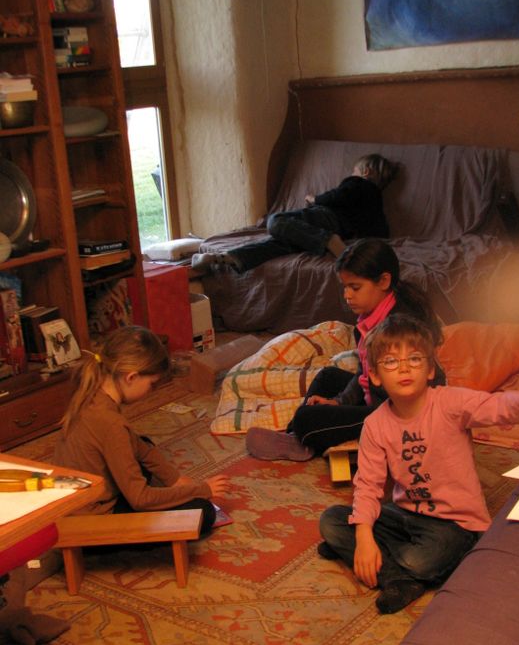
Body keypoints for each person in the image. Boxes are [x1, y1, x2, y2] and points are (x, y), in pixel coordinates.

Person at [318, 314, 519, 615]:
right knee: (332, 520)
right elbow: (368, 485)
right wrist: (363, 536)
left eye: (414, 358)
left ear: (430, 369)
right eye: (391, 362)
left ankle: (389, 566)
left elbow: (495, 407)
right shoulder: (374, 425)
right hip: (404, 513)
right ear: (375, 376)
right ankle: (397, 577)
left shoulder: (450, 403)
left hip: (455, 524)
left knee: (419, 559)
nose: (404, 368)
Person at [245, 238, 444, 461]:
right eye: (345, 287)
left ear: (384, 281)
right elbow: (365, 374)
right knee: (328, 376)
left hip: (401, 412)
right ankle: (297, 436)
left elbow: (404, 395)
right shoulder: (369, 320)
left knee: (306, 419)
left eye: (355, 287)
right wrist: (340, 402)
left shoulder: (399, 329)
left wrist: (347, 410)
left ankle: (304, 434)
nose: (347, 295)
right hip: (379, 395)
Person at [54, 325, 228, 533]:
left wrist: (175, 480)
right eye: (151, 384)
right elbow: (140, 499)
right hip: (90, 522)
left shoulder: (93, 393)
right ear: (131, 377)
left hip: (77, 504)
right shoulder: (111, 424)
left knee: (142, 444)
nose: (151, 392)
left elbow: (140, 447)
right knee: (203, 512)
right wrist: (200, 490)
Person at [191, 154, 398, 275]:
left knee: (276, 221)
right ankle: (228, 258)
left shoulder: (357, 183)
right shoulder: (376, 200)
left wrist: (315, 199)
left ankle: (328, 240)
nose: (352, 175)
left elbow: (337, 196)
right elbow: (381, 229)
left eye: (354, 171)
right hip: (343, 232)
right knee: (284, 243)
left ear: (365, 172)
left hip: (327, 219)